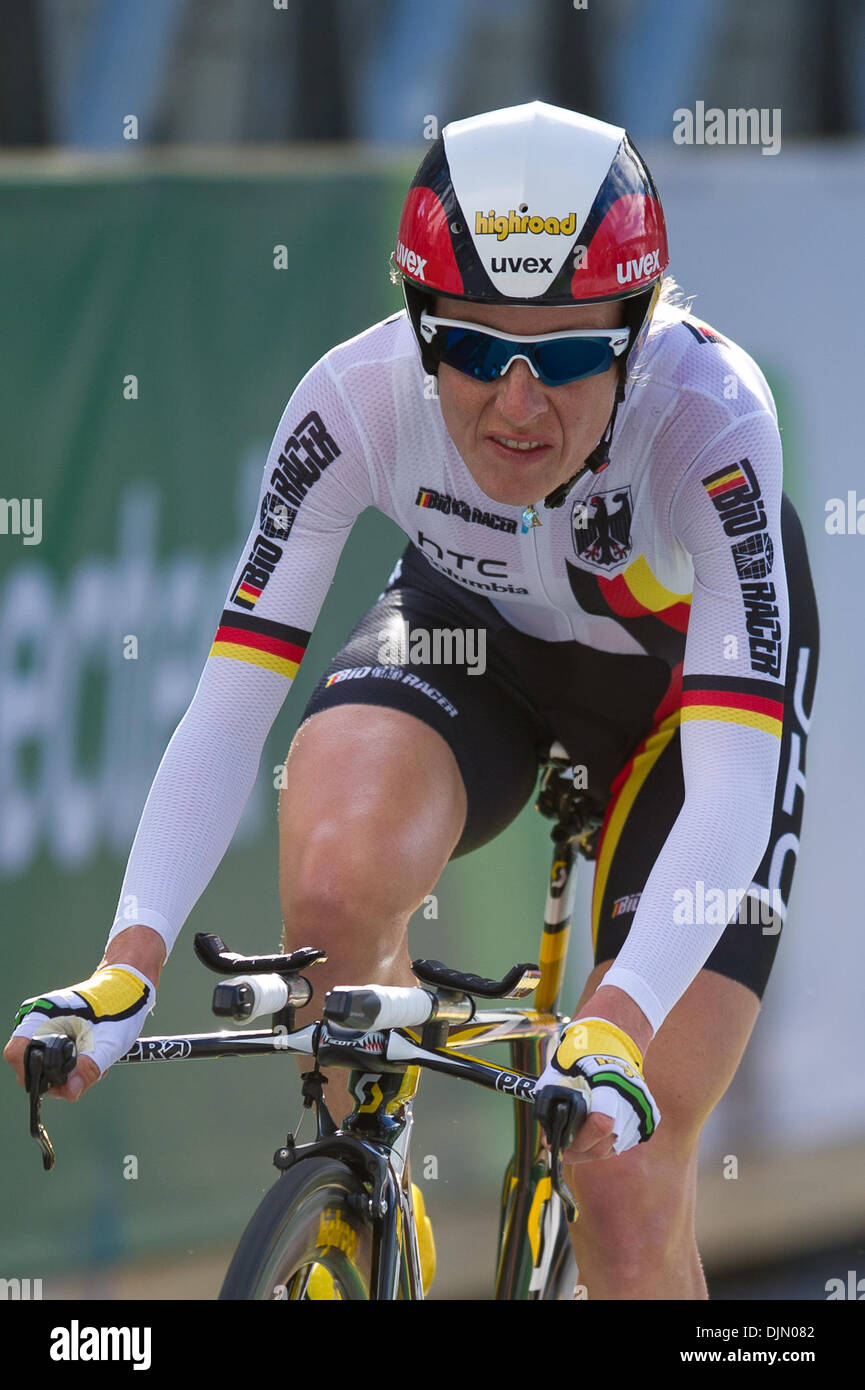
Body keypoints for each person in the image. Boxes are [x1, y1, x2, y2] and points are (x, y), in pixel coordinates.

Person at [6, 101, 818, 1300]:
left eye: (571, 351)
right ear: (420, 324)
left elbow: (739, 779)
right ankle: (369, 1197)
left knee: (623, 1175)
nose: (517, 406)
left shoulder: (711, 420)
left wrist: (622, 1022)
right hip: (472, 633)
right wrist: (126, 963)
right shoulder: (353, 400)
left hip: (677, 710)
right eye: (477, 350)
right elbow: (233, 700)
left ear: (640, 333)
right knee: (332, 887)